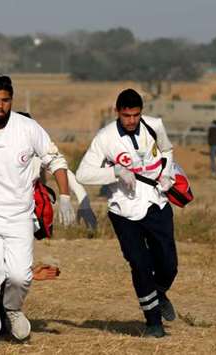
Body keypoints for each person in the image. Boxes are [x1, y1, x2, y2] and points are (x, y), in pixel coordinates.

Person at [0, 74, 74, 350]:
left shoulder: (28, 128)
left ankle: (12, 308)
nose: (0, 106)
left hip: (20, 215)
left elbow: (54, 159)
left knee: (20, 276)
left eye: (5, 100)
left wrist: (65, 196)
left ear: (11, 101)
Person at [76, 88, 178, 338]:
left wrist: (167, 174)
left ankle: (159, 291)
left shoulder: (155, 125)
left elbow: (166, 150)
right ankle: (153, 322)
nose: (131, 120)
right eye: (126, 115)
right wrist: (115, 173)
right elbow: (83, 174)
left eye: (135, 115)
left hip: (157, 203)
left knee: (169, 263)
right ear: (117, 112)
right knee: (139, 264)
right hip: (123, 210)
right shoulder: (105, 137)